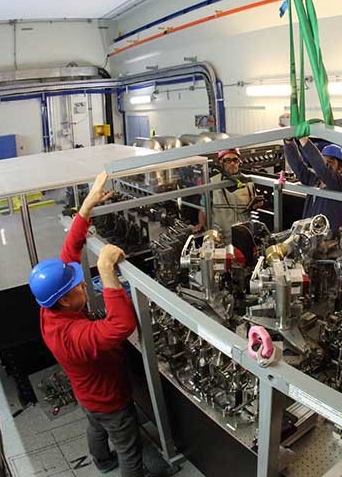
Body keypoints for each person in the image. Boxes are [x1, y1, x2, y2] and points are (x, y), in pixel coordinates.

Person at [30, 172, 169, 477]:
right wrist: (106, 269)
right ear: (64, 300)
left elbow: (69, 253)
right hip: (110, 400)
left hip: (87, 396)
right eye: (78, 287)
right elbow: (122, 325)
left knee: (95, 427)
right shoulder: (73, 337)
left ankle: (102, 462)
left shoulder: (50, 309)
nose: (83, 286)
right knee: (129, 447)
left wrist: (86, 208)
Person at [282, 137, 342, 233]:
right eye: (324, 160)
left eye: (330, 162)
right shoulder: (315, 180)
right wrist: (289, 141)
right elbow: (298, 167)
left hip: (330, 241)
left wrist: (303, 139)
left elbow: (324, 169)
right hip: (309, 236)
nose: (326, 164)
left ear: (340, 168)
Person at [195, 148, 262, 243]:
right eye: (227, 160)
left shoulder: (248, 183)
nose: (232, 163)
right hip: (221, 238)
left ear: (239, 162)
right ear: (220, 163)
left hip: (244, 237)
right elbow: (203, 209)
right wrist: (201, 224)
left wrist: (256, 206)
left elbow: (252, 207)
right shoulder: (212, 183)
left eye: (235, 160)